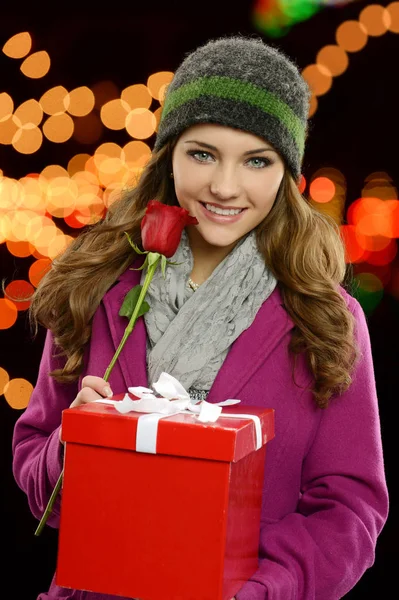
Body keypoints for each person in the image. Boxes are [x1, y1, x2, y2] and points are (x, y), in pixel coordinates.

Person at [12, 34, 388, 600]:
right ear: (169, 155)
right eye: (203, 153)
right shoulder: (93, 288)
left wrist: (261, 591)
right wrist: (73, 445)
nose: (224, 187)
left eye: (256, 161)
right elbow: (35, 470)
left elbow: (350, 511)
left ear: (286, 176)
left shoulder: (328, 320)